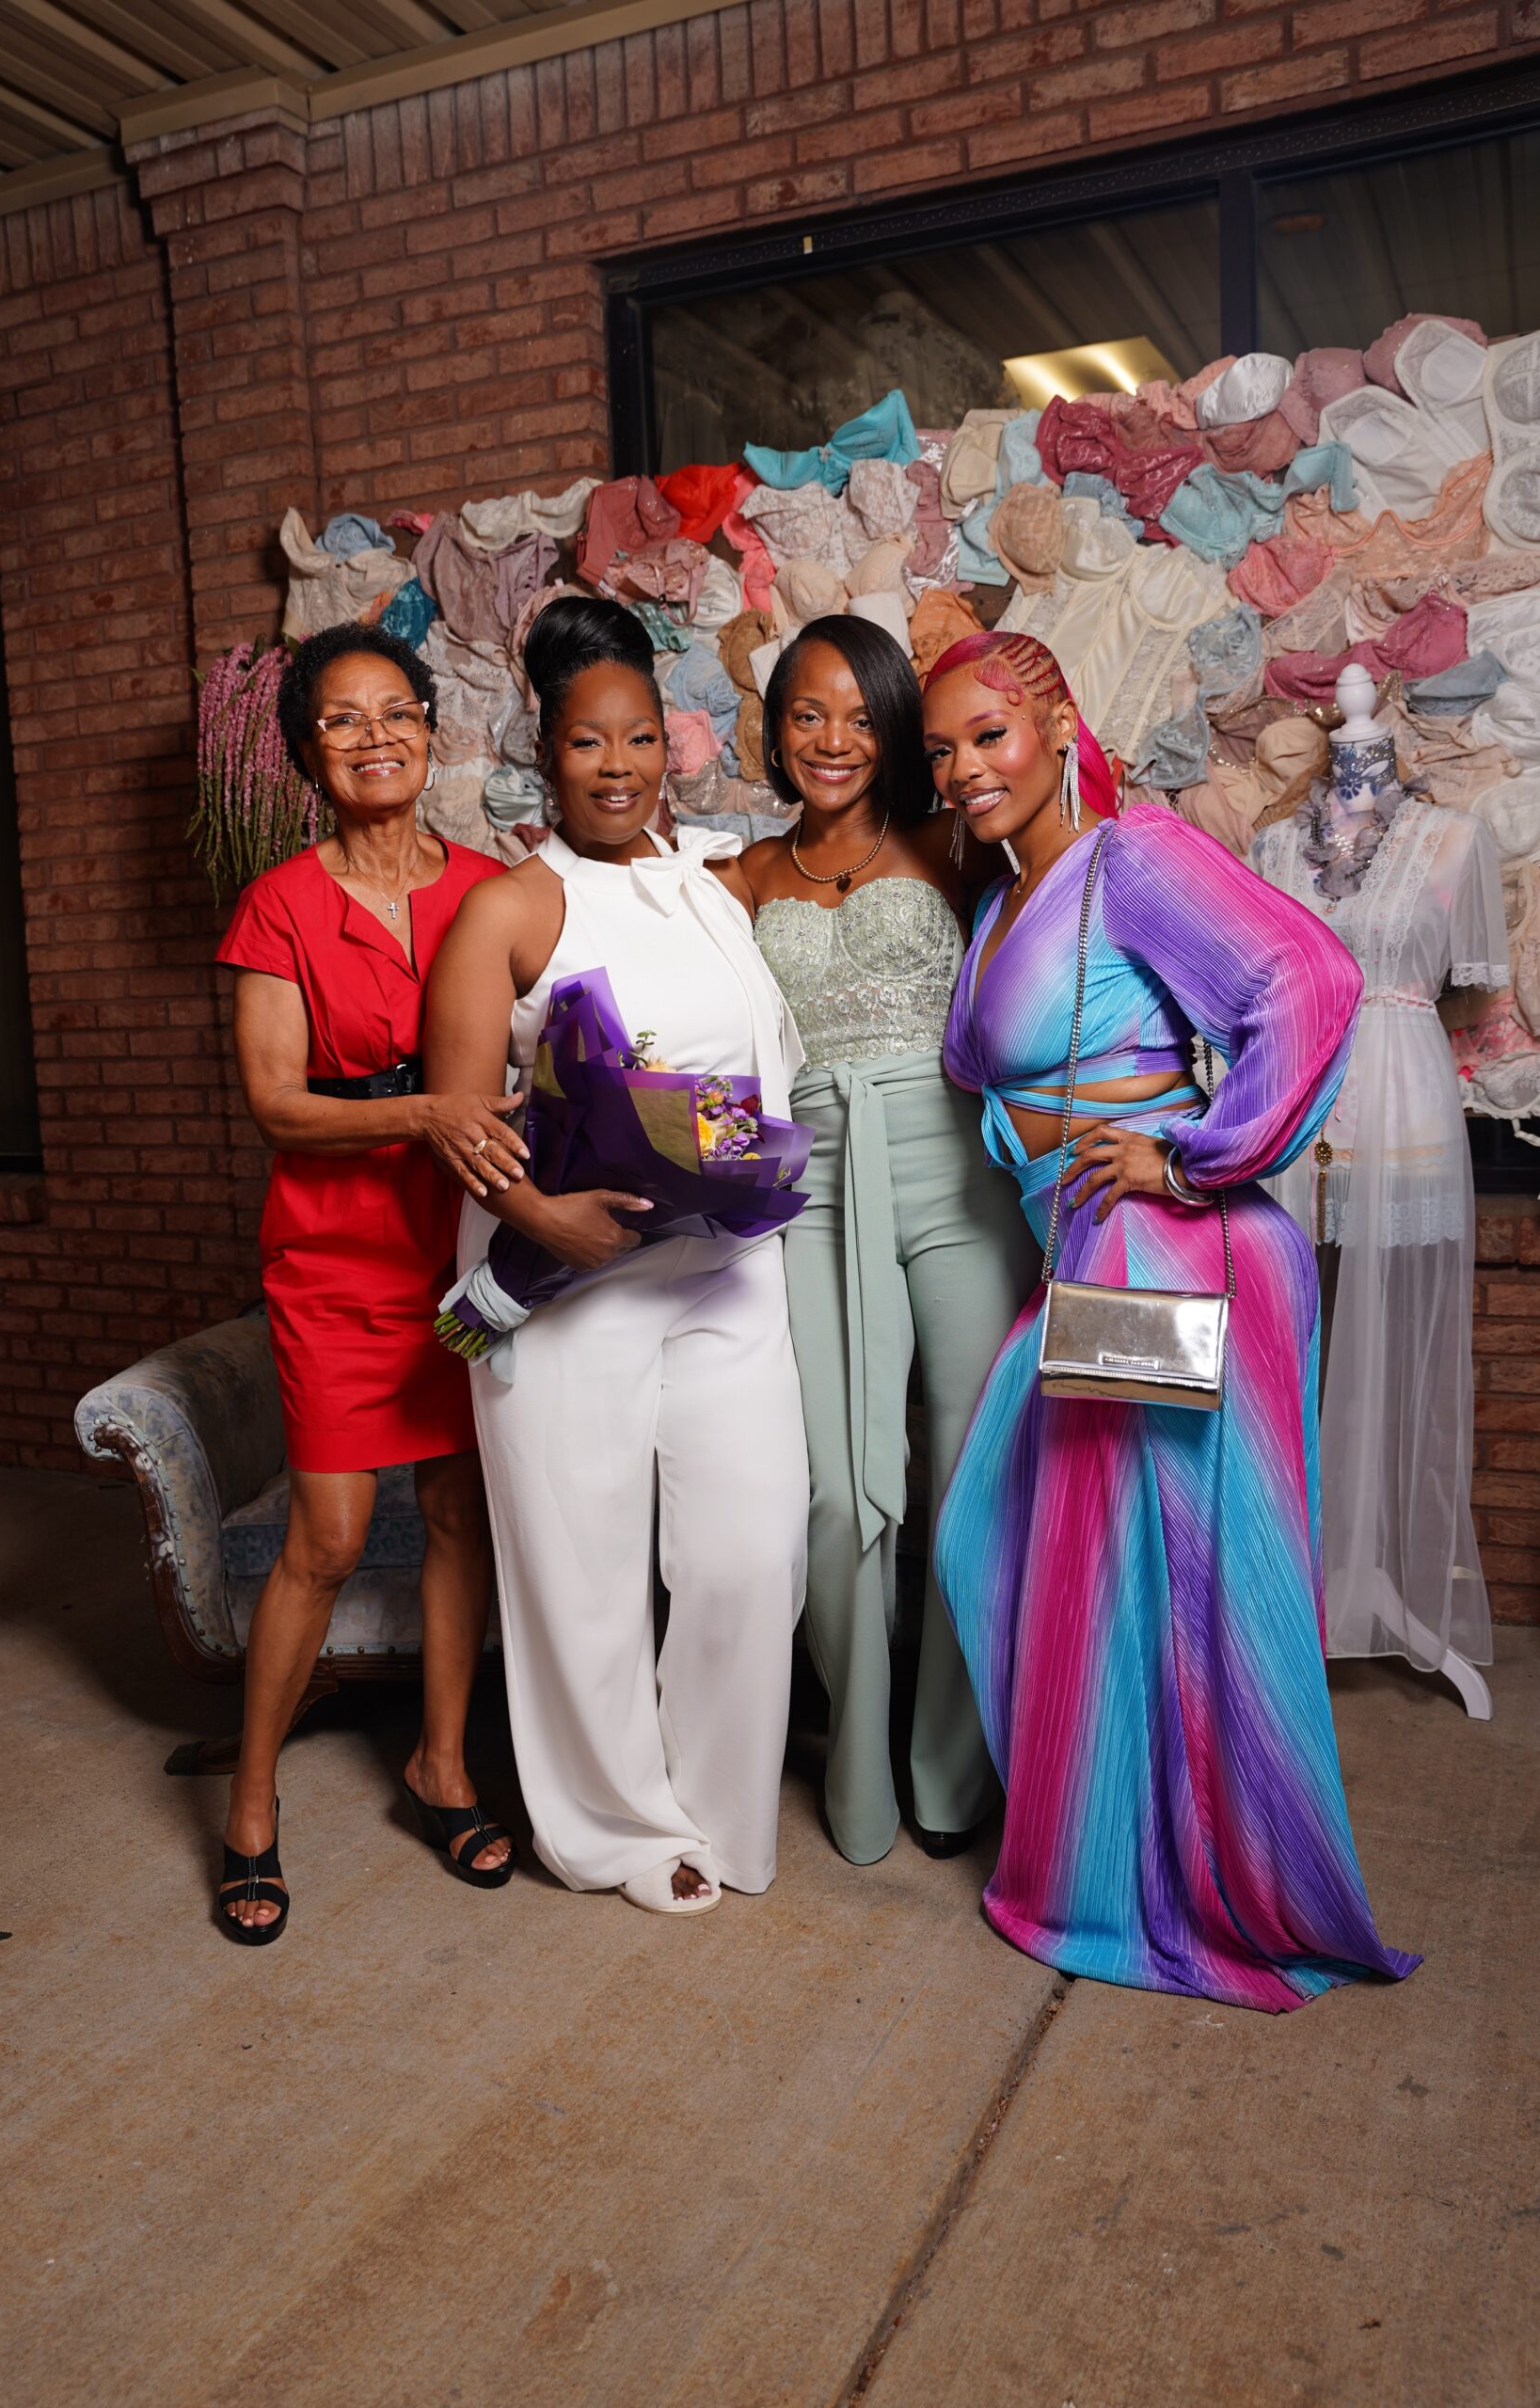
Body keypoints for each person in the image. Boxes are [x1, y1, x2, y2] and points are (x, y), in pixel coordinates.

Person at [924, 628, 1420, 2012]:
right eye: (942, 750)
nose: (963, 769)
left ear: (1056, 724)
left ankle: (1171, 1888)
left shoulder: (1130, 856)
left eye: (988, 735)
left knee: (1174, 1582)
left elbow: (1308, 981)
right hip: (1089, 1255)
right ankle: (1108, 1860)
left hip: (1167, 1253)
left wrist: (1193, 1155)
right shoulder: (1006, 897)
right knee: (1019, 1549)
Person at [423, 595, 808, 1918]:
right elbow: (458, 1119)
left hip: (726, 1269)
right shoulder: (511, 909)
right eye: (587, 742)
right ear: (546, 750)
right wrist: (545, 1223)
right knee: (578, 1569)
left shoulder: (712, 882)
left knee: (752, 1549)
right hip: (569, 1281)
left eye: (638, 737)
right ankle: (616, 1831)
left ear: (670, 742)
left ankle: (717, 1803)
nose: (616, 765)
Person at [213, 623, 526, 1944]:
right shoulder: (278, 904)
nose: (374, 736)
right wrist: (426, 1115)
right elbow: (278, 1106)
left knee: (459, 1512)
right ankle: (249, 1801)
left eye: (395, 711)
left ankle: (441, 1766)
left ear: (433, 733)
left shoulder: (496, 890)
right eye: (342, 720)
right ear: (307, 755)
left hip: (466, 1246)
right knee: (331, 1539)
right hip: (334, 1254)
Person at [728, 615, 1036, 1864]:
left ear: (899, 730)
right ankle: (857, 1765)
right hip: (813, 1180)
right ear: (775, 731)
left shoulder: (956, 842)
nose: (833, 740)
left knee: (968, 1468)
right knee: (833, 1483)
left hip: (954, 1170)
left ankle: (950, 1774)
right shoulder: (742, 876)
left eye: (861, 716)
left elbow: (1060, 939)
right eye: (807, 714)